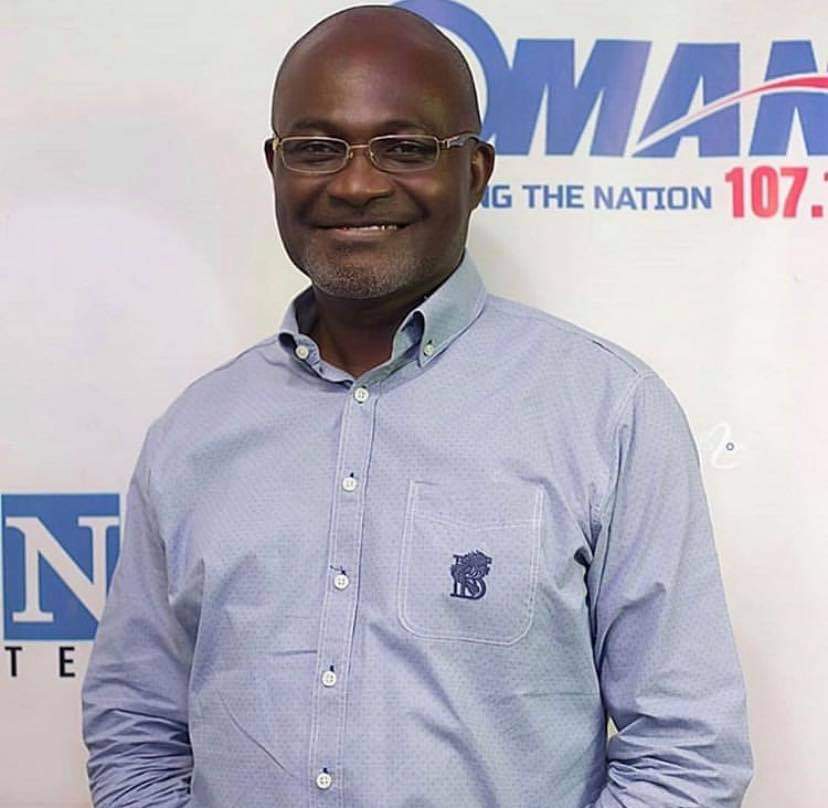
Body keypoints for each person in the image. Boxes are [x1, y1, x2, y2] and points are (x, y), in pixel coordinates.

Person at [81, 5, 754, 807]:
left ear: (475, 172)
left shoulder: (608, 412)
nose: (356, 183)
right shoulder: (194, 433)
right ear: (275, 167)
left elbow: (687, 753)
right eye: (316, 148)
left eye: (406, 148)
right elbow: (136, 730)